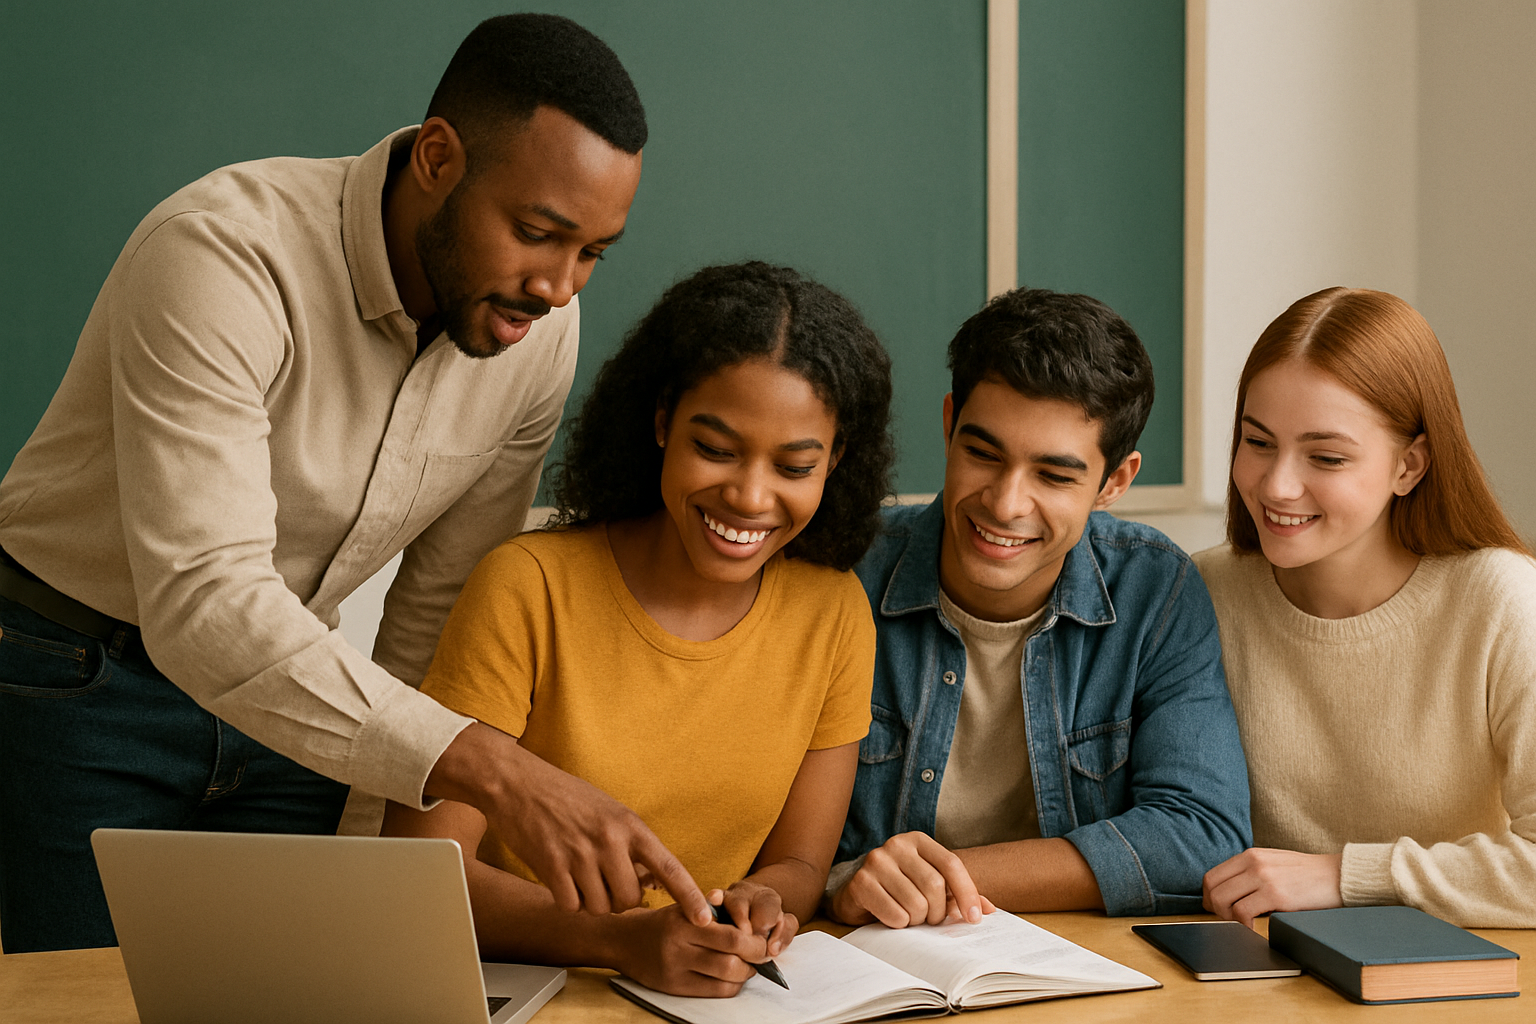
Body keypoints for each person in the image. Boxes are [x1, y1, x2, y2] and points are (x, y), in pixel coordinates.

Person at [0, 14, 707, 955]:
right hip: (79, 683)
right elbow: (205, 603)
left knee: (299, 999)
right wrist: (496, 772)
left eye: (592, 253)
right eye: (538, 234)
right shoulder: (220, 255)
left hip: (304, 714)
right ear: (439, 159)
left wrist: (391, 838)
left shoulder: (535, 337)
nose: (560, 287)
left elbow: (441, 611)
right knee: (94, 1010)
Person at [383, 262, 894, 996]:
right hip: (528, 994)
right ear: (662, 422)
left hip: (713, 997)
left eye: (794, 466)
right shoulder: (527, 586)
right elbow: (421, 872)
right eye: (715, 449)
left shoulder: (835, 611)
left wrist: (766, 905)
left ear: (834, 462)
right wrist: (618, 941)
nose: (750, 496)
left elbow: (800, 865)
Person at [827, 287, 1251, 928]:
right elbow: (759, 838)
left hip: (1072, 970)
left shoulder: (1155, 588)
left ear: (1114, 481)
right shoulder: (844, 577)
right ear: (948, 424)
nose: (1005, 504)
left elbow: (1201, 835)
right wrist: (839, 884)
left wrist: (937, 882)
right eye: (982, 453)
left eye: (1054, 476)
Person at [1196, 287, 1536, 930]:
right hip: (1248, 976)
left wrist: (1343, 875)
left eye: (1325, 457)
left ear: (1409, 465)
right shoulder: (1205, 591)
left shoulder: (1501, 600)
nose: (1277, 485)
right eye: (1257, 441)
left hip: (1451, 987)